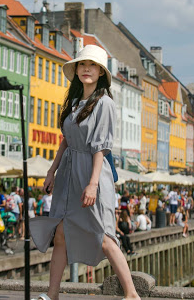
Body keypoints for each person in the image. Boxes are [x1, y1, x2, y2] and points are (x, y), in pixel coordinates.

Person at [29, 45, 140, 300]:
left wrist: (93, 185)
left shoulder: (105, 104)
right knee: (60, 234)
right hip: (69, 173)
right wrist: (51, 171)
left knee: (103, 235)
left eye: (92, 65)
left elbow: (101, 148)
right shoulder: (75, 103)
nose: (86, 68)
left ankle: (132, 294)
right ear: (77, 70)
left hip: (92, 172)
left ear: (101, 71)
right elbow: (65, 141)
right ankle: (52, 295)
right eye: (82, 64)